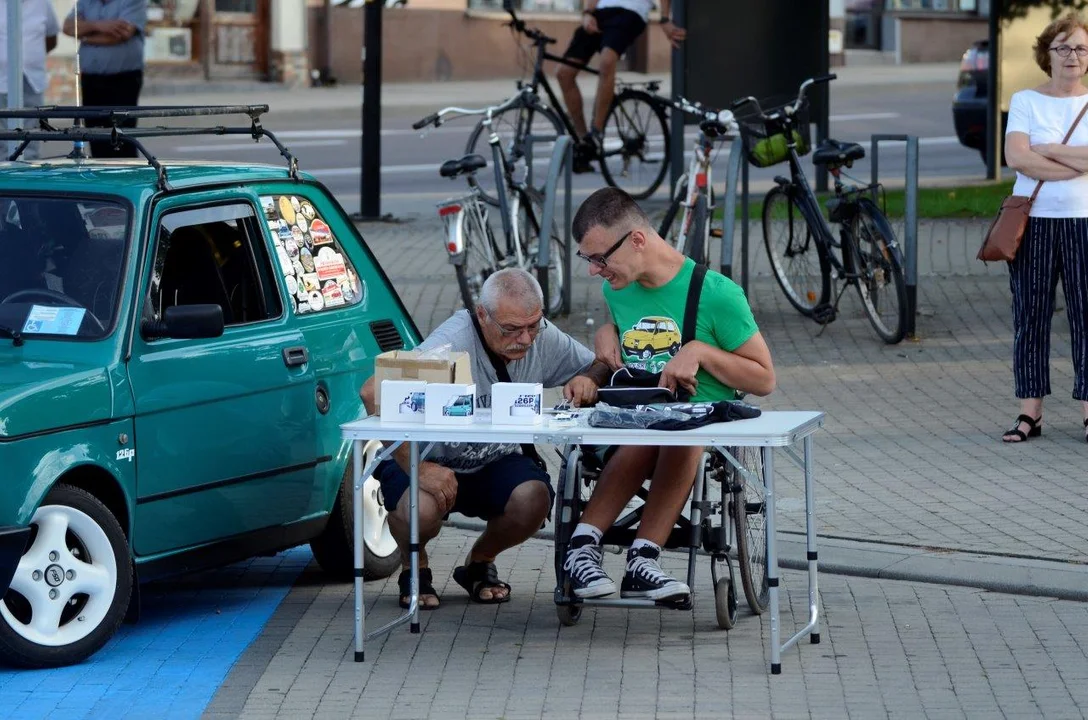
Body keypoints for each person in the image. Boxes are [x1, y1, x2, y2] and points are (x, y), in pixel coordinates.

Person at [562, 187, 775, 602]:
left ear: (637, 240)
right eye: (588, 259)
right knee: (651, 426)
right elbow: (631, 344)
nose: (594, 271)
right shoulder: (617, 288)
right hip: (634, 422)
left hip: (693, 425)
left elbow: (764, 379)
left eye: (600, 258)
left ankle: (642, 559)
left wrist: (700, 352)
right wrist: (605, 346)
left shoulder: (717, 295)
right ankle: (582, 550)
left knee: (677, 431)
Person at [359, 269, 609, 608]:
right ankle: (414, 564)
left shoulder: (541, 335)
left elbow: (598, 365)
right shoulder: (452, 343)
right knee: (420, 509)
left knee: (533, 500)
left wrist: (589, 379)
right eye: (511, 329)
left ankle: (479, 562)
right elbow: (372, 392)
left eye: (533, 325)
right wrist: (416, 466)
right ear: (482, 315)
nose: (525, 339)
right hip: (430, 456)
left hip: (494, 459)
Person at [1002, 12, 1088, 444]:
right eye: (1063, 47)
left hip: (1084, 223)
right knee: (1030, 317)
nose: (1072, 55)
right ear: (1047, 54)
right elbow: (1016, 157)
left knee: (1086, 318)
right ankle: (1029, 414)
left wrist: (1049, 149)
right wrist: (1075, 160)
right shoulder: (1025, 101)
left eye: (1080, 48)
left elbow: (1034, 153)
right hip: (1033, 224)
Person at [556, 0, 685, 173]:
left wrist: (664, 19)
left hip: (631, 11)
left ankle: (597, 133)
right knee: (564, 73)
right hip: (601, 12)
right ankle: (584, 141)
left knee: (607, 61)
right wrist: (587, 13)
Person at [62, 0, 147, 158]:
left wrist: (85, 36)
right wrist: (100, 26)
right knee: (95, 134)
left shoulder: (134, 2)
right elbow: (68, 27)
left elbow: (122, 34)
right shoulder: (85, 3)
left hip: (122, 80)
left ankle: (125, 176)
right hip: (91, 79)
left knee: (121, 138)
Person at [0, 0, 60, 161]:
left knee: (31, 137)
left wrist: (29, 59)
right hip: (2, 80)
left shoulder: (43, 3)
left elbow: (51, 37)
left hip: (32, 79)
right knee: (4, 140)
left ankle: (27, 178)